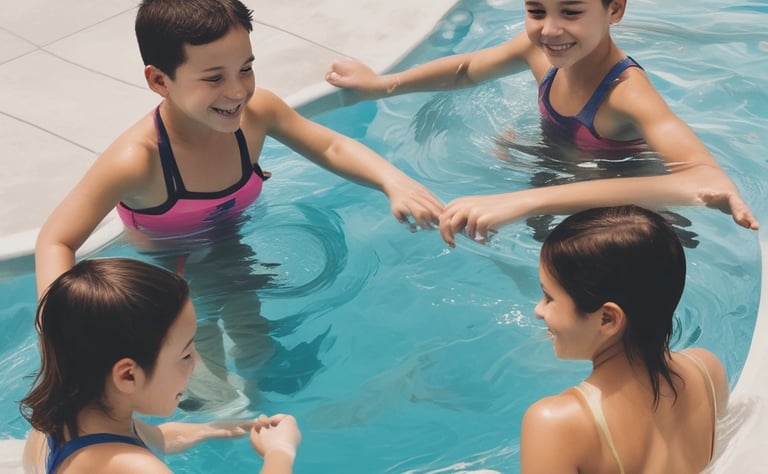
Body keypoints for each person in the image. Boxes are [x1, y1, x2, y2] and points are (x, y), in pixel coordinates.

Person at [34, 0, 443, 406]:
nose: (236, 90)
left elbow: (332, 146)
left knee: (255, 338)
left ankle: (267, 402)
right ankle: (216, 416)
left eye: (245, 68)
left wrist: (395, 182)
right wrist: (63, 336)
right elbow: (56, 239)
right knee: (200, 363)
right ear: (160, 81)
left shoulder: (255, 113)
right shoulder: (138, 160)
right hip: (176, 274)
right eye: (213, 78)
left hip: (233, 244)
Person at [325, 0, 759, 247]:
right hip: (554, 173)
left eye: (571, 12)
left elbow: (704, 181)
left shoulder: (627, 94)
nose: (550, 29)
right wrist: (383, 85)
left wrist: (521, 202)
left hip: (623, 204)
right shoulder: (541, 52)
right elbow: (467, 69)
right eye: (536, 10)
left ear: (615, 9)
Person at [20, 258, 302, 474]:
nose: (196, 364)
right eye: (186, 355)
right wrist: (280, 451)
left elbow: (157, 437)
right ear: (128, 375)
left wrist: (215, 428)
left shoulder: (58, 419)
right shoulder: (136, 467)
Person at [520, 205, 727, 473]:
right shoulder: (708, 371)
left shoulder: (557, 424)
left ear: (607, 319)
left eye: (549, 297)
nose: (539, 310)